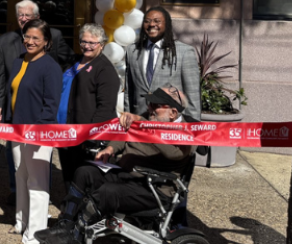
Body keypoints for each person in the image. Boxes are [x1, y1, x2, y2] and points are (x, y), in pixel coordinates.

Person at [35, 86, 195, 244]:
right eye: (150, 103)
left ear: (173, 113)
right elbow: (124, 134)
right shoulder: (152, 118)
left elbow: (174, 154)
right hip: (126, 175)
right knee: (84, 172)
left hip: (153, 188)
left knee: (107, 192)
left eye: (155, 105)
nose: (149, 108)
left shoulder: (187, 134)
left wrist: (145, 125)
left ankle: (76, 236)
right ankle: (66, 225)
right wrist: (111, 148)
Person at [0, 0, 75, 200]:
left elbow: (70, 61)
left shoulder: (52, 36)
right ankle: (17, 191)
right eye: (20, 15)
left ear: (37, 18)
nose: (23, 18)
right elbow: (0, 75)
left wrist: (56, 86)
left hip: (38, 111)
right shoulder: (4, 40)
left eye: (27, 15)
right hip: (14, 110)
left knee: (37, 163)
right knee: (14, 158)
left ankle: (38, 196)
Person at [6, 19, 63, 244]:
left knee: (37, 182)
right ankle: (22, 221)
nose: (29, 41)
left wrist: (39, 131)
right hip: (18, 129)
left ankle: (36, 233)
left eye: (35, 38)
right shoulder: (19, 61)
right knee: (21, 175)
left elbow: (51, 104)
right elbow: (13, 93)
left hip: (39, 132)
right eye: (27, 37)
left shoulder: (50, 67)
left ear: (46, 42)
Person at [57, 23, 119, 184]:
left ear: (102, 45)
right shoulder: (74, 61)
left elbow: (106, 107)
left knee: (82, 176)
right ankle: (70, 206)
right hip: (64, 129)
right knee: (68, 173)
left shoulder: (105, 69)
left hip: (84, 135)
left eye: (92, 43)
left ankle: (80, 208)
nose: (87, 46)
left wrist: (91, 135)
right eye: (84, 42)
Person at [125, 6, 201, 120]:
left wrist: (192, 127)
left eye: (157, 21)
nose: (151, 24)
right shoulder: (133, 50)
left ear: (167, 25)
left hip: (170, 123)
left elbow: (192, 94)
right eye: (147, 21)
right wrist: (128, 117)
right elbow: (128, 91)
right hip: (139, 120)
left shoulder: (184, 52)